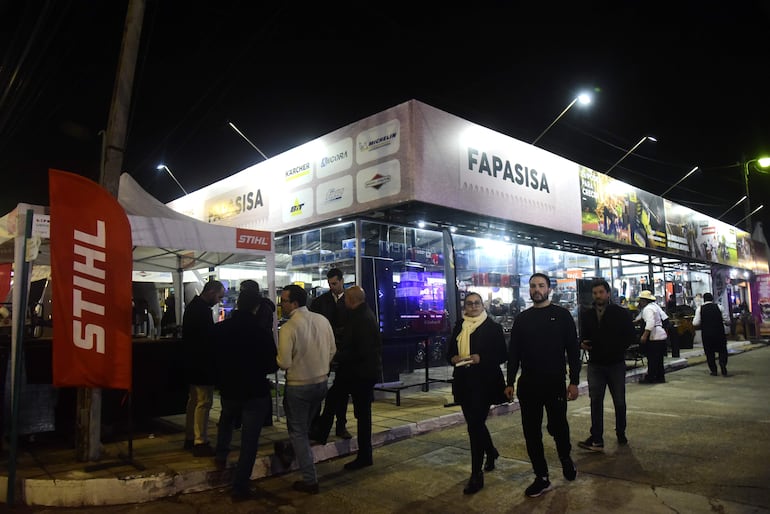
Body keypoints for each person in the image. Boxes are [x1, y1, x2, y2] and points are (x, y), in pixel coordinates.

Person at [504, 273, 581, 498]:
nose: (537, 289)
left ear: (549, 289)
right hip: (528, 385)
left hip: (555, 383)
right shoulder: (522, 319)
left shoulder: (562, 316)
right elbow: (514, 354)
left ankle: (565, 458)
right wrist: (509, 382)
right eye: (533, 286)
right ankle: (542, 476)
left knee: (559, 427)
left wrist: (574, 381)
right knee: (531, 432)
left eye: (541, 285)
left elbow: (573, 351)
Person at [212, 288, 278, 501]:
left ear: (238, 303)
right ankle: (240, 486)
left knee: (227, 420)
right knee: (249, 441)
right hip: (254, 391)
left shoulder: (221, 329)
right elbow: (272, 364)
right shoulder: (261, 333)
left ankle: (221, 456)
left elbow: (213, 359)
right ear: (256, 307)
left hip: (229, 388)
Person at [277, 284, 336, 494]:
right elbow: (332, 350)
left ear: (293, 303)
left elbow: (283, 362)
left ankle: (310, 480)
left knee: (298, 432)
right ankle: (292, 454)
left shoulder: (288, 328)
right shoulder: (322, 320)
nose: (281, 303)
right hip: (320, 384)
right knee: (304, 427)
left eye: (283, 300)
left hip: (299, 387)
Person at [447, 292, 507, 494]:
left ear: (483, 305)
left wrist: (481, 357)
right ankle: (491, 451)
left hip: (484, 383)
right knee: (476, 423)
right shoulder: (459, 325)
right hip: (464, 383)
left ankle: (476, 475)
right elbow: (449, 351)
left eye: (476, 303)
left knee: (474, 426)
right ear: (465, 306)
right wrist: (453, 358)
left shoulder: (492, 327)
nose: (473, 307)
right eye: (469, 303)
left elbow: (501, 354)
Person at [578, 279, 636, 452]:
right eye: (595, 293)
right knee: (595, 401)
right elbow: (583, 335)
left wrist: (617, 349)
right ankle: (596, 438)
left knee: (619, 401)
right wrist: (582, 343)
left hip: (615, 364)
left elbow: (630, 335)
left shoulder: (620, 313)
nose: (598, 296)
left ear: (608, 293)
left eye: (601, 292)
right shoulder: (587, 314)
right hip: (595, 364)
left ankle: (621, 432)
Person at [335, 285, 382, 471]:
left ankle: (364, 455)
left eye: (346, 298)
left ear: (351, 300)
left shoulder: (361, 318)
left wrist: (336, 356)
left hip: (361, 374)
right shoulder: (363, 315)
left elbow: (359, 350)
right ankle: (364, 453)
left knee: (363, 416)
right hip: (364, 373)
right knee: (361, 414)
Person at [182, 279, 225, 456]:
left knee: (194, 401)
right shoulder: (201, 311)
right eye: (219, 296)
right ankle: (201, 440)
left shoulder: (193, 307)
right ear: (211, 292)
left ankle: (190, 436)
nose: (219, 300)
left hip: (192, 362)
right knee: (203, 401)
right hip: (202, 364)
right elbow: (206, 338)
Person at [309, 268, 352, 442]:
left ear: (342, 281)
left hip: (343, 351)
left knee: (341, 390)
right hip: (323, 350)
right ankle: (316, 424)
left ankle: (341, 425)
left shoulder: (351, 300)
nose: (332, 286)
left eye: (334, 283)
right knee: (319, 388)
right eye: (329, 283)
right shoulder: (321, 302)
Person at [692, 292, 730, 376]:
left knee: (709, 352)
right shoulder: (719, 307)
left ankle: (714, 370)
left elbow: (695, 323)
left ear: (703, 299)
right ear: (712, 299)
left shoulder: (699, 309)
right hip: (719, 333)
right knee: (722, 350)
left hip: (707, 334)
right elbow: (727, 320)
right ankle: (723, 365)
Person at [635, 290, 668, 384]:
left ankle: (651, 377)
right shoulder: (654, 307)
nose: (639, 302)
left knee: (652, 359)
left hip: (654, 336)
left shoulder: (648, 309)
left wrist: (644, 335)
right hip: (660, 336)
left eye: (640, 300)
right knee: (659, 360)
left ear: (644, 301)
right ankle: (660, 377)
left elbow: (650, 323)